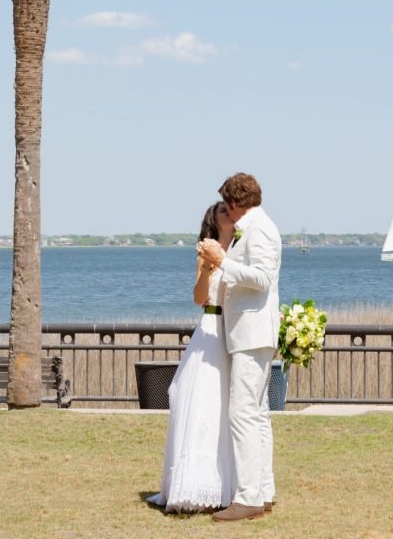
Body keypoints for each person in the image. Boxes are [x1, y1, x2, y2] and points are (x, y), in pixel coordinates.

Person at [198, 172, 282, 523]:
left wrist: (222, 262)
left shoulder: (259, 229)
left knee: (243, 414)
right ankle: (263, 492)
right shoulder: (255, 227)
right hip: (251, 334)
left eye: (226, 205)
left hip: (252, 334)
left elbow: (262, 278)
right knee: (257, 414)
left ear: (234, 203)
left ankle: (248, 497)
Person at [148, 201, 235, 513]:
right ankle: (194, 483)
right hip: (211, 326)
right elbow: (199, 298)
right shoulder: (204, 254)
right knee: (197, 398)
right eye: (223, 210)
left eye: (231, 209)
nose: (229, 213)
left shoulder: (241, 249)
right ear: (214, 219)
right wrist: (208, 269)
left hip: (234, 328)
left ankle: (230, 484)